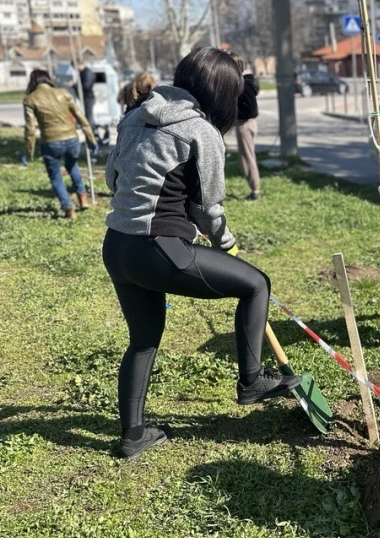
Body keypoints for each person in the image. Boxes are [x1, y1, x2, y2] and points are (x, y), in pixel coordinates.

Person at [102, 46, 301, 461]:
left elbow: (112, 177)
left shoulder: (134, 116)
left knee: (143, 339)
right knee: (255, 285)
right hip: (160, 248)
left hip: (117, 246)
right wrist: (224, 241)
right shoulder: (200, 132)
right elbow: (209, 208)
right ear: (222, 93)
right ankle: (251, 381)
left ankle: (133, 435)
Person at [22, 69, 97, 219]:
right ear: (48, 79)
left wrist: (28, 151)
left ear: (33, 81)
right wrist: (91, 139)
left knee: (55, 176)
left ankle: (68, 209)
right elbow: (80, 116)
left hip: (50, 142)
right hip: (72, 140)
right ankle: (83, 197)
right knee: (72, 166)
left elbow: (30, 129)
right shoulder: (63, 93)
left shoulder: (30, 99)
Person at [230, 54, 261, 201]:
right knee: (248, 156)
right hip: (251, 123)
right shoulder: (248, 81)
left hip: (244, 124)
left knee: (247, 158)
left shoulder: (239, 85)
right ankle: (255, 189)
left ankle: (255, 190)